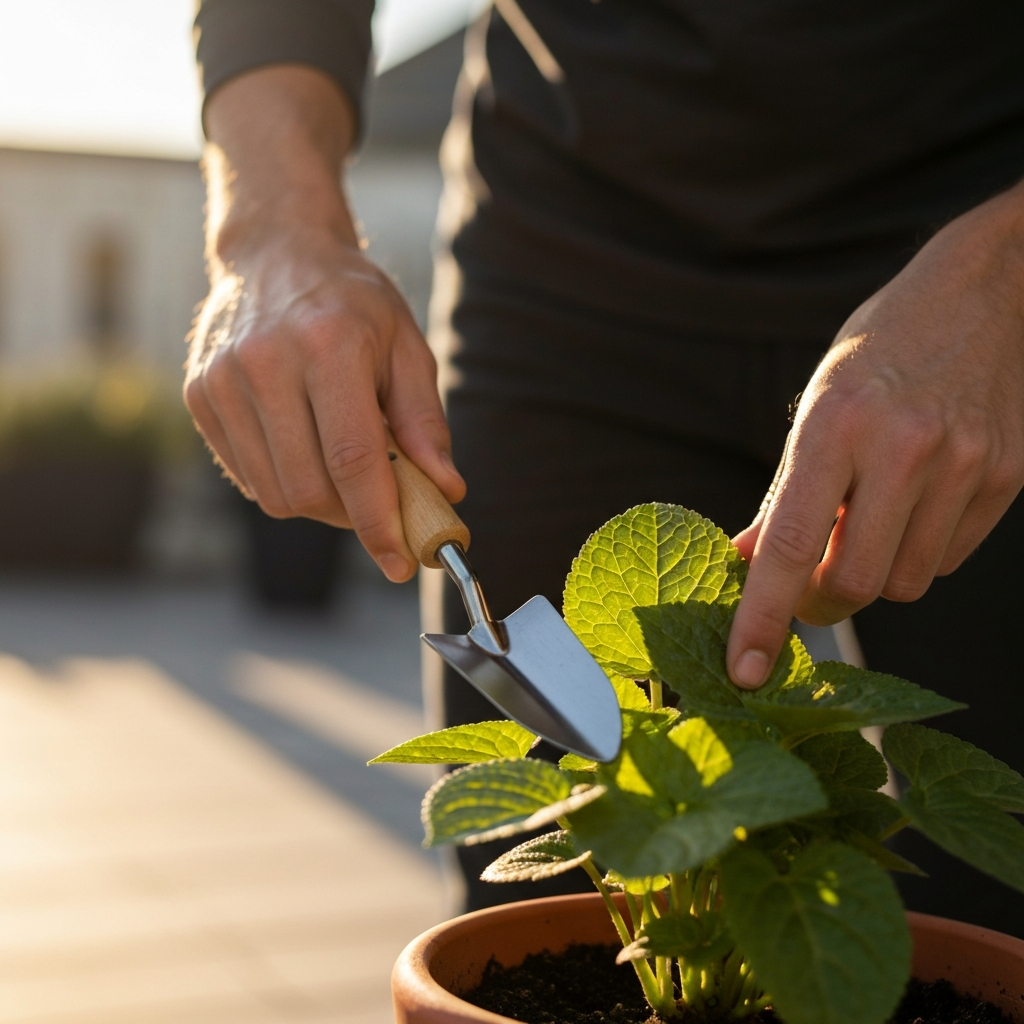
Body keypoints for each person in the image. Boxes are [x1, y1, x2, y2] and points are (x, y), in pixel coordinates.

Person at [188, 1, 1024, 931]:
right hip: (568, 247)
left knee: (998, 901)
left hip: (978, 244)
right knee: (548, 912)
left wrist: (1009, 273)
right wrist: (272, 227)